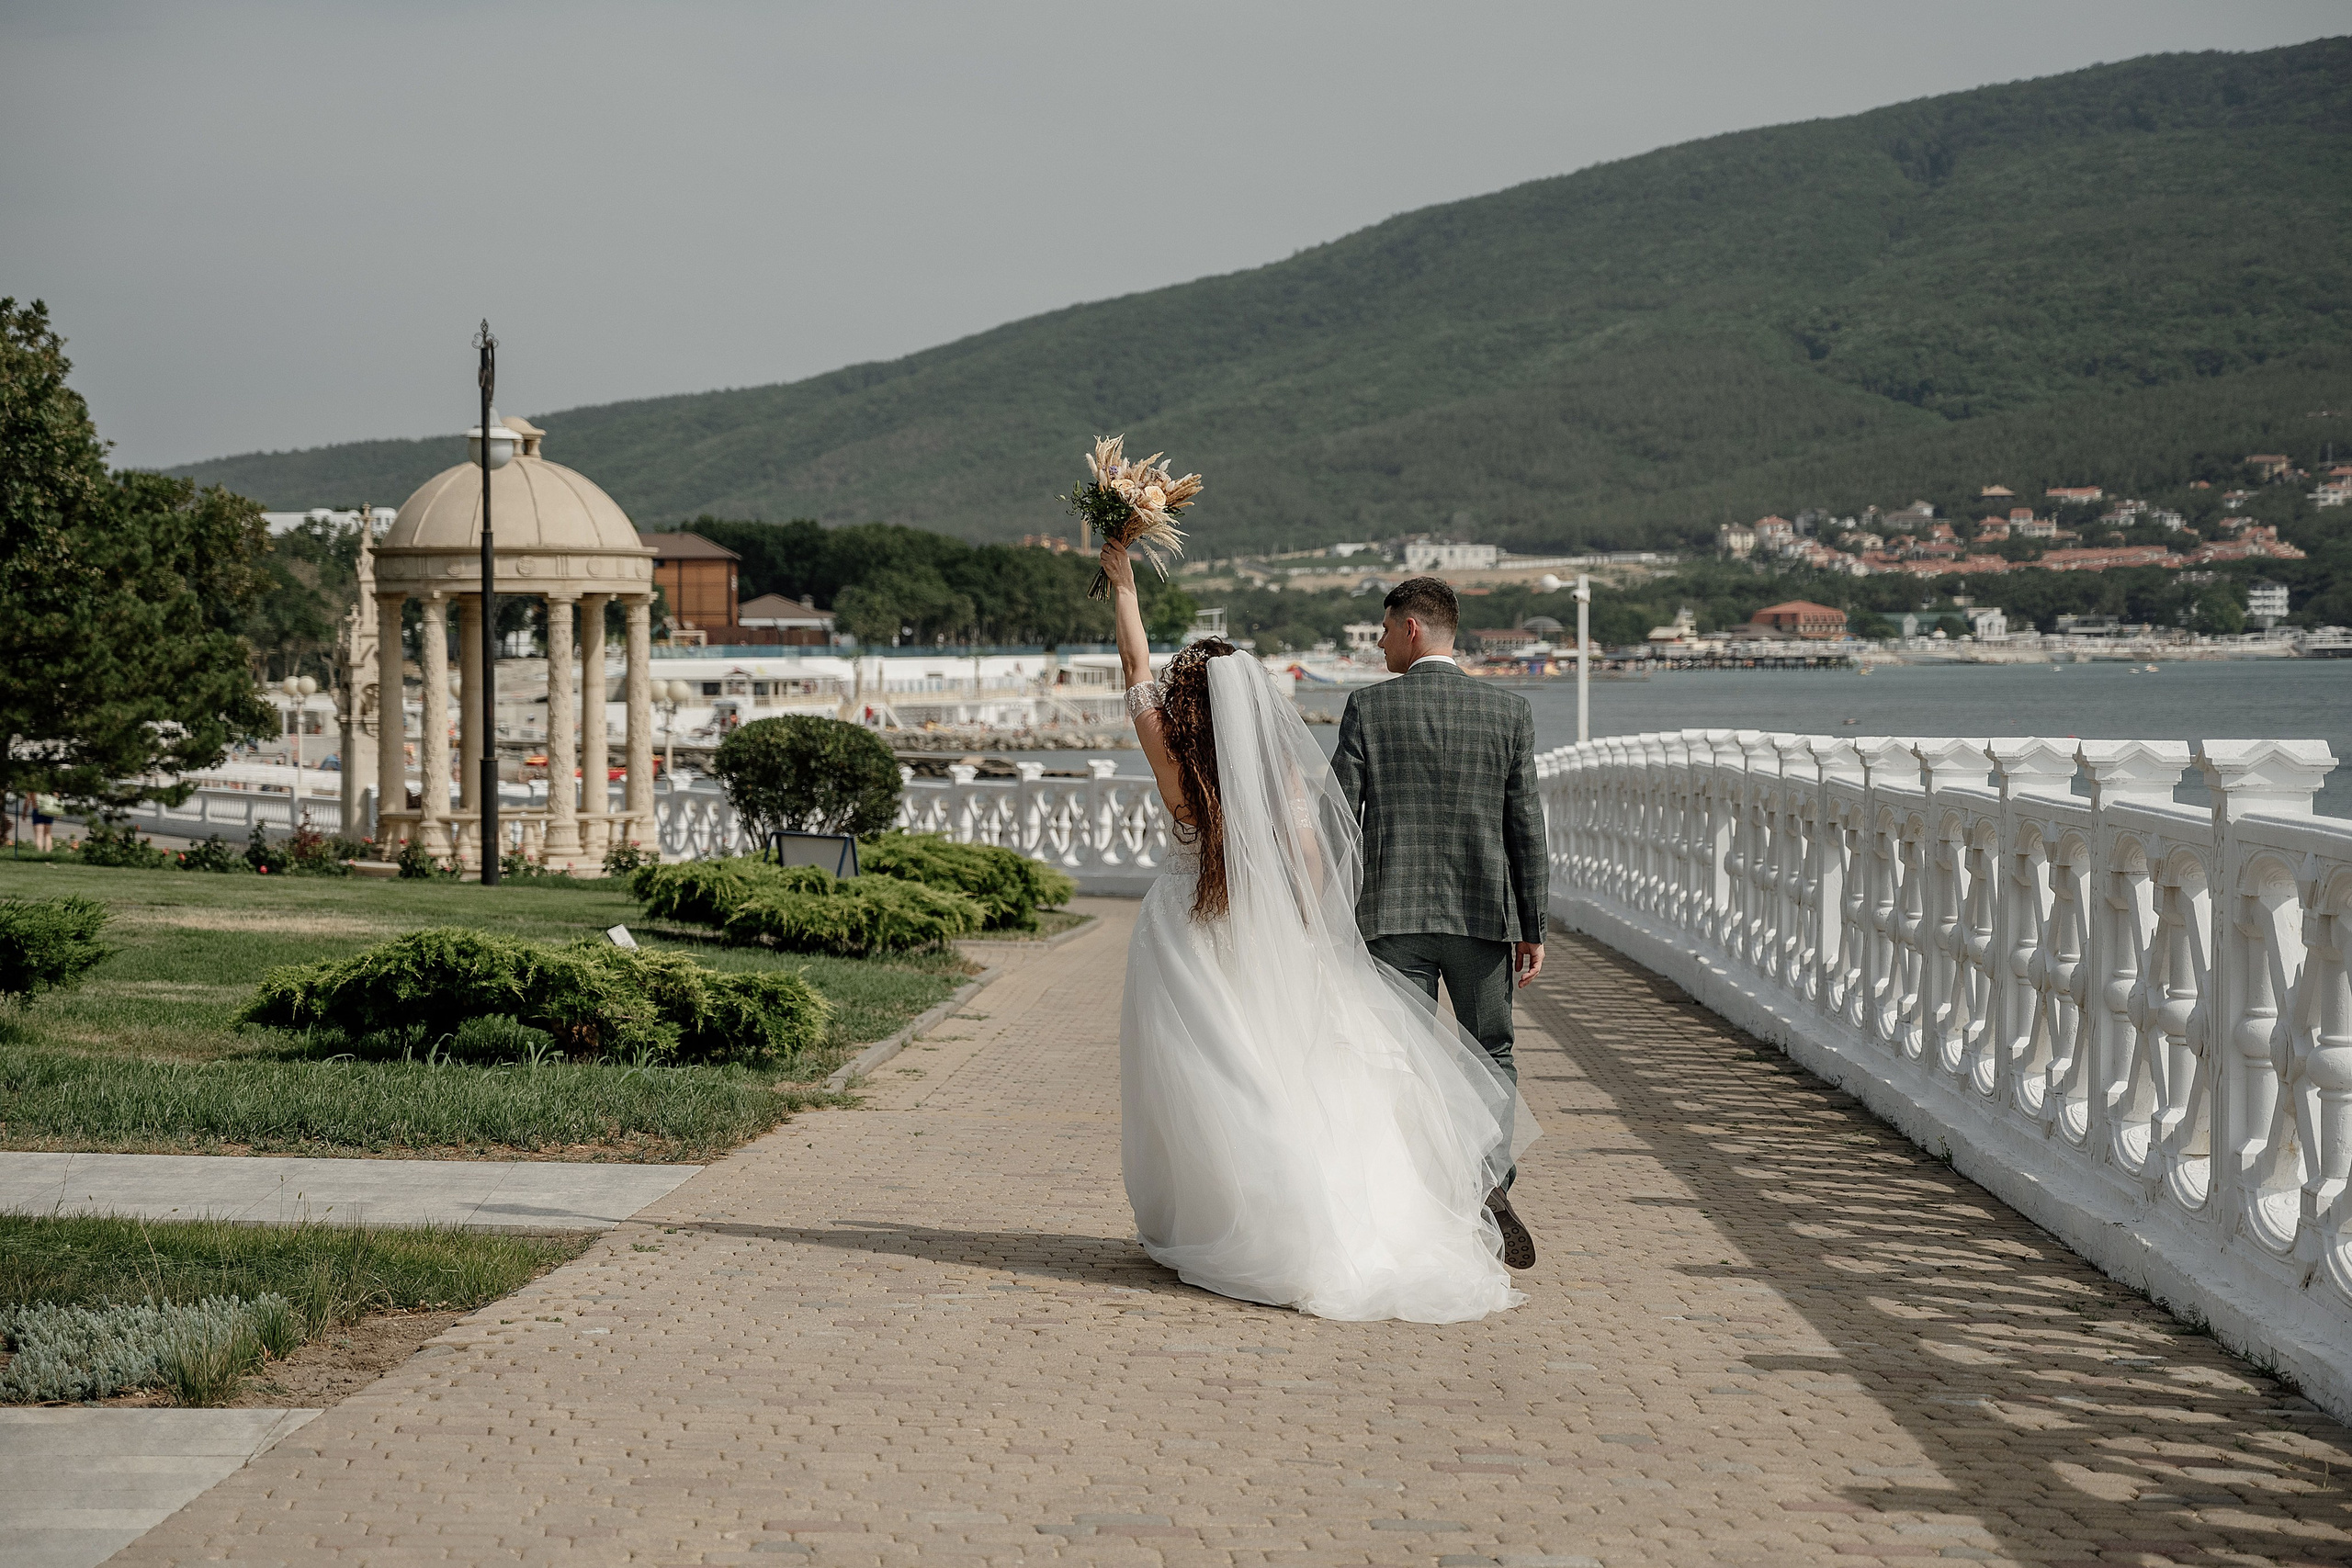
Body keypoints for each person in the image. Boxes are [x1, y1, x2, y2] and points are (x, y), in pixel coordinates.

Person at [1103, 540, 1530, 1324]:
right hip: (1288, 932)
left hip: (1189, 936)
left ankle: (1224, 1215)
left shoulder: (1176, 768)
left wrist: (1123, 584)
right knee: (1292, 1074)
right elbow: (1313, 856)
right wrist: (1311, 933)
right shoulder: (1283, 773)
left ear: (1189, 707)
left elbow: (1135, 671)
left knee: (1211, 1078)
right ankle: (1393, 1199)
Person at [1331, 575, 1546, 1269]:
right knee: (1493, 1053)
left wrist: (1325, 904)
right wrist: (1532, 924)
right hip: (1484, 916)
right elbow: (1527, 831)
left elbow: (1339, 818)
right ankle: (1489, 1180)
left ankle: (1408, 1198)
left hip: (1391, 916)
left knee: (1400, 1058)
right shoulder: (1508, 712)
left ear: (1413, 628)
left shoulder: (1368, 709)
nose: (1383, 641)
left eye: (1386, 629)